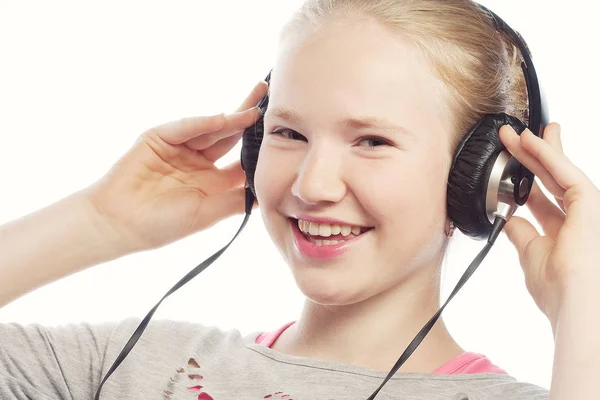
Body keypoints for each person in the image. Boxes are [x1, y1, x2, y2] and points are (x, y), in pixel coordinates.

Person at [1, 0, 598, 398]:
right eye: (288, 133)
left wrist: (583, 310)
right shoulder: (127, 365)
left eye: (373, 140)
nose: (312, 185)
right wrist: (101, 223)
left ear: (483, 179)